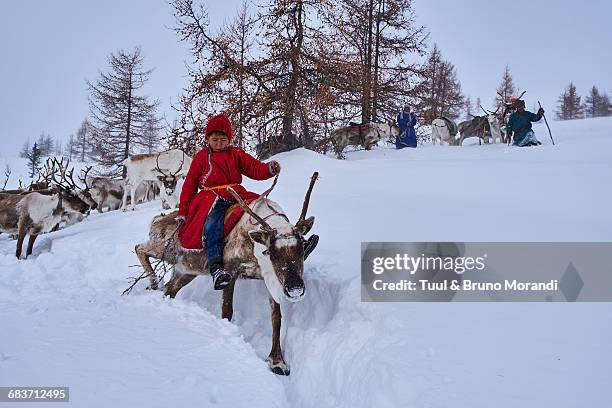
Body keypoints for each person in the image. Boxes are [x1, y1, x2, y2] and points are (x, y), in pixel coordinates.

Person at [177, 113, 318, 290]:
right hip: (211, 198)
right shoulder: (201, 157)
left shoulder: (236, 154)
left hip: (237, 194)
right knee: (213, 225)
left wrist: (268, 169)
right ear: (208, 139)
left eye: (223, 139)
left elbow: (254, 168)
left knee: (262, 211)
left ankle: (296, 245)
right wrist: (183, 211)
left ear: (229, 139)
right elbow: (189, 184)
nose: (219, 143)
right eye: (215, 139)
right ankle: (217, 267)